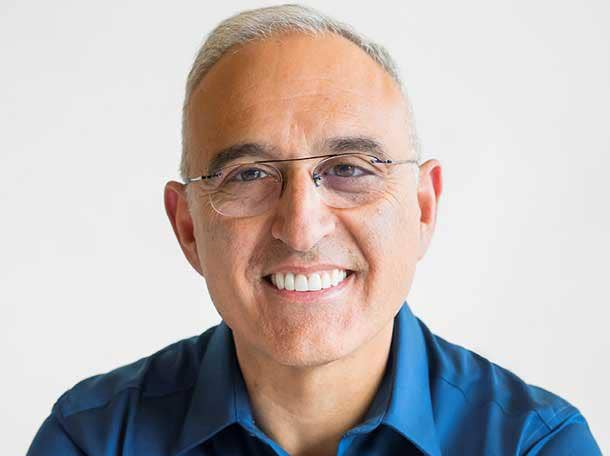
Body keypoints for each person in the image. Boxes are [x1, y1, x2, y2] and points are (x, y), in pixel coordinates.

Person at [27, 4, 601, 456]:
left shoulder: (535, 445)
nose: (301, 228)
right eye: (249, 174)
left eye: (349, 169)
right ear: (188, 228)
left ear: (423, 208)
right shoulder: (93, 441)